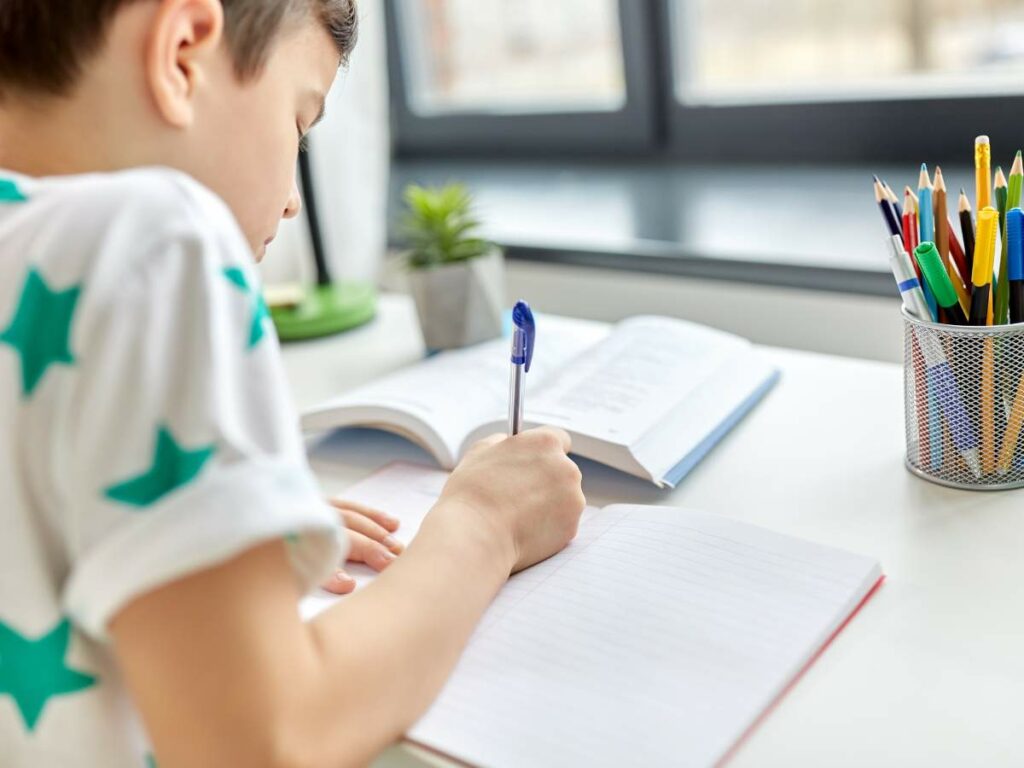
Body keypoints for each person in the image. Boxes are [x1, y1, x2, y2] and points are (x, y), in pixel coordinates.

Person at [0, 1, 586, 765]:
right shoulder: (152, 241)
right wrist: (484, 523)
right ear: (181, 54)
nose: (292, 198)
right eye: (298, 124)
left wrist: (219, 521)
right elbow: (267, 740)